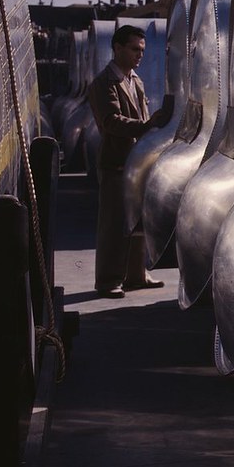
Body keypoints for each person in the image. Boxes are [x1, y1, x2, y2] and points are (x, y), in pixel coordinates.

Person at [87, 24, 171, 298]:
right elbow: (111, 122)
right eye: (135, 49)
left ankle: (136, 274)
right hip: (116, 163)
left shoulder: (135, 81)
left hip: (137, 163)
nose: (140, 55)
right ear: (117, 48)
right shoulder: (103, 84)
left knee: (138, 220)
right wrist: (147, 126)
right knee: (113, 224)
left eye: (143, 50)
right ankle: (108, 280)